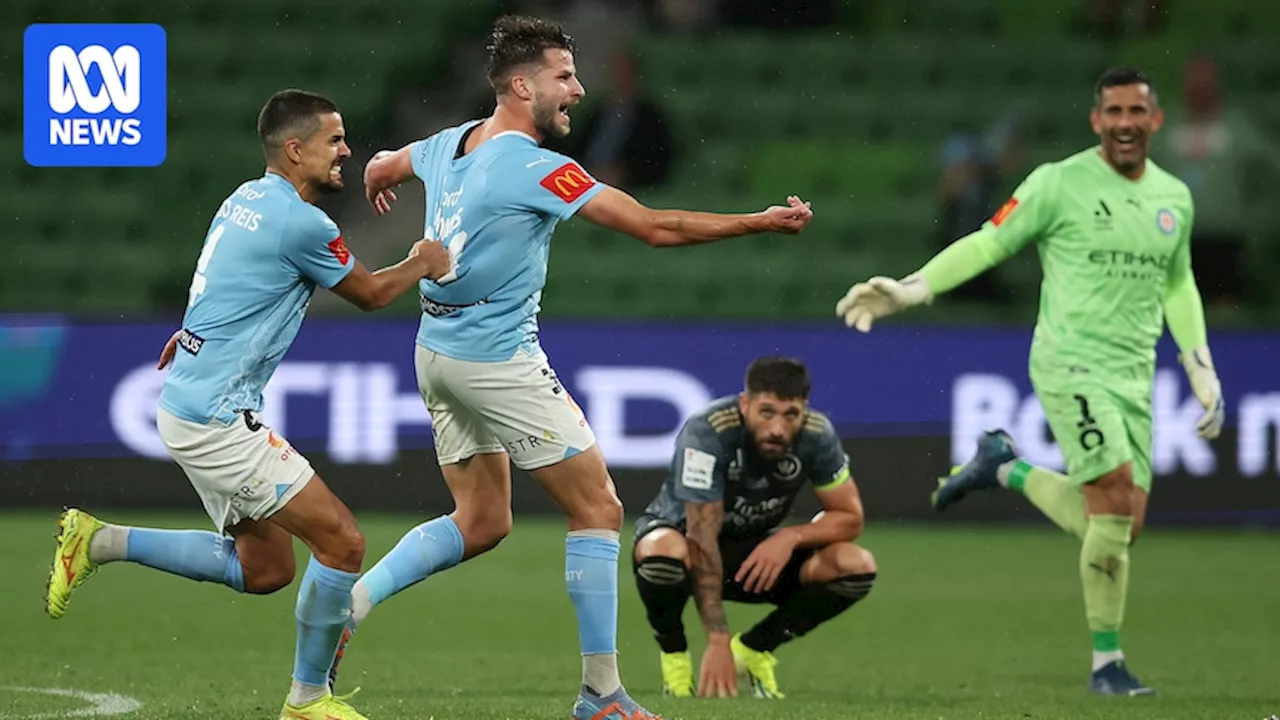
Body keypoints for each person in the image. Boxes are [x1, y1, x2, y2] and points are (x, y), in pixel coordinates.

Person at [323, 14, 813, 720]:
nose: (577, 90)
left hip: (435, 353)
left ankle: (353, 602)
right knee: (600, 508)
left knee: (483, 519)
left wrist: (376, 178)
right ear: (521, 85)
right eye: (563, 76)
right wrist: (756, 222)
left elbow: (381, 163)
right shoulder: (537, 167)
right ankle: (601, 696)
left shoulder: (450, 142)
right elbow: (653, 227)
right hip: (496, 360)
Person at [44, 89, 451, 720]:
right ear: (296, 149)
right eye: (334, 140)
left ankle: (97, 541)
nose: (346, 151)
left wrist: (195, 333)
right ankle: (308, 700)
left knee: (265, 571)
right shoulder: (302, 222)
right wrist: (422, 260)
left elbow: (219, 276)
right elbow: (371, 294)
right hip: (215, 417)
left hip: (191, 401)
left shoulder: (244, 199)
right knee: (342, 541)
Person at [835, 68, 1224, 697]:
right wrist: (912, 289)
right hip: (1069, 360)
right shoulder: (1058, 183)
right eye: (1113, 111)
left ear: (1155, 121)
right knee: (1116, 496)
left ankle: (1004, 468)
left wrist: (1198, 361)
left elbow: (1178, 282)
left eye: (1137, 111)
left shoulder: (1174, 196)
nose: (1125, 121)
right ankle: (1107, 664)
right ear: (1096, 120)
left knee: (1121, 520)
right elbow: (990, 243)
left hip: (1134, 372)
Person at [630, 357, 876, 700]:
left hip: (752, 551)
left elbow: (850, 517)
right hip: (688, 545)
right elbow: (702, 537)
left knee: (855, 564)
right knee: (661, 551)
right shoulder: (708, 431)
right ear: (745, 404)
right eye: (766, 412)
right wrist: (715, 639)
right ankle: (675, 657)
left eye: (790, 414)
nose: (778, 427)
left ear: (804, 409)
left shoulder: (817, 435)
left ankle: (754, 649)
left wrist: (791, 537)